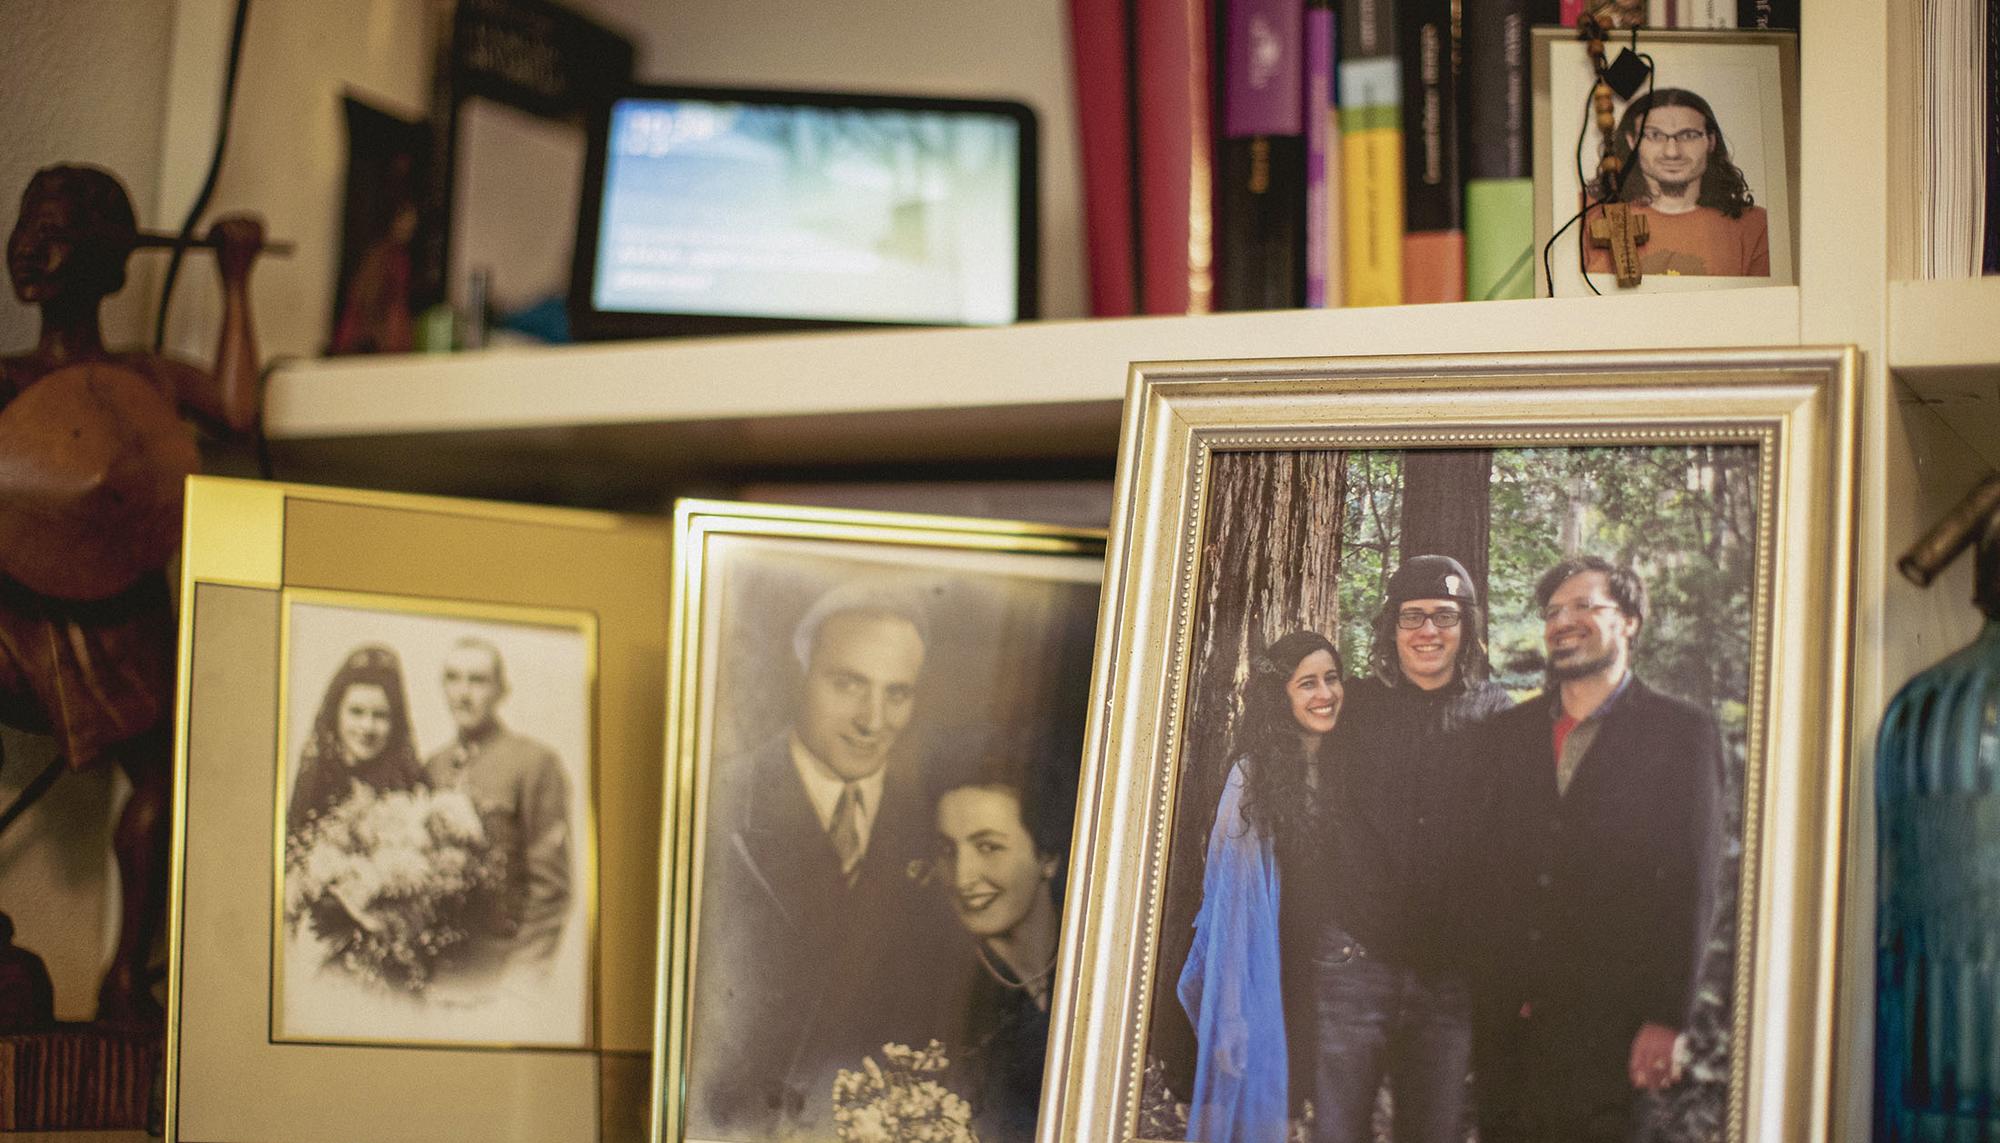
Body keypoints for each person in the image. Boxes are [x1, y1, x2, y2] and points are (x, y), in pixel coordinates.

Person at [0, 164, 262, 1023]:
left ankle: (125, 978)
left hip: (121, 615)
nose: (32, 245)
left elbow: (234, 406)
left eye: (57, 230)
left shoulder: (144, 378)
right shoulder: (5, 380)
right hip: (21, 610)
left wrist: (235, 278)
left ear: (108, 265)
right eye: (28, 225)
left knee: (166, 770)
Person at [690, 581, 965, 1137]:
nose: (873, 720)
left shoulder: (941, 827)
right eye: (848, 684)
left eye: (897, 693)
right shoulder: (715, 802)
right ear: (801, 675)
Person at [1471, 557, 1724, 1143]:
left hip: (1613, 1032)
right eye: (1554, 611)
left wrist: (1668, 1017)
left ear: (1630, 621)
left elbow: (1692, 882)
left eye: (1586, 605)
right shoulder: (1507, 735)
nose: (1565, 621)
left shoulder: (1681, 734)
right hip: (1507, 1031)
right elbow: (1487, 870)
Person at [1310, 555, 1511, 1143]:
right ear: (1390, 629)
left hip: (1449, 976)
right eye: (1412, 617)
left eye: (1445, 617)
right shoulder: (1350, 708)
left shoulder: (1499, 717)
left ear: (1467, 627)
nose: (1428, 631)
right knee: (1337, 1133)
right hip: (1353, 962)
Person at [1179, 630, 1344, 1143]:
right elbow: (1232, 909)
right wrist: (1231, 1015)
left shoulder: (1350, 766)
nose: (1325, 694)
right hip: (1272, 972)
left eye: (1333, 679)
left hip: (1337, 981)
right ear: (1282, 696)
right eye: (1308, 683)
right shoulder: (1251, 780)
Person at [925, 729, 1078, 1143]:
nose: (962, 878)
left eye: (988, 847)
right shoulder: (932, 996)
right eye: (948, 851)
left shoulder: (1095, 958)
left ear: (1047, 857)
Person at [422, 637, 573, 971]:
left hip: (497, 967)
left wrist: (520, 986)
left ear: (501, 690)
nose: (463, 693)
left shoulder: (534, 763)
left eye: (477, 680)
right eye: (453, 678)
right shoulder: (433, 766)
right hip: (434, 971)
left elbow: (551, 890)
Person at [1583, 88, 1770, 278]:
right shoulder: (1590, 211)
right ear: (1632, 141)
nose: (1672, 152)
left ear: (1711, 141)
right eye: (1655, 135)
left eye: (1688, 135)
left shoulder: (1755, 225)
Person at [286, 645, 427, 836]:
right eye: (356, 712)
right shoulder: (314, 785)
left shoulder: (410, 788)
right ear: (336, 715)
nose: (367, 727)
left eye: (380, 715)